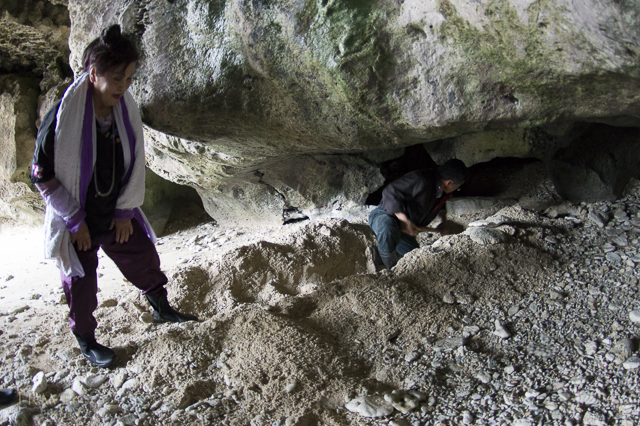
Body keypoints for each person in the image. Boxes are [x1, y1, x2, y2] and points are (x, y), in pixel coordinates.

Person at [31, 25, 197, 369]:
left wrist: (124, 212)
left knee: (142, 255)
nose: (124, 86)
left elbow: (135, 161)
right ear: (94, 73)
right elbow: (42, 174)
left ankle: (161, 308)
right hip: (77, 219)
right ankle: (87, 340)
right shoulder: (64, 116)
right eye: (117, 77)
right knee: (80, 283)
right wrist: (75, 222)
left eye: (130, 78)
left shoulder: (124, 109)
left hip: (114, 211)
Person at [368, 159, 469, 269]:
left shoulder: (439, 190)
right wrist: (404, 220)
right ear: (449, 182)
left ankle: (378, 256)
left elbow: (440, 204)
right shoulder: (421, 179)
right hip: (384, 215)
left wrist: (444, 222)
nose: (456, 189)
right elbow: (390, 191)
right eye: (457, 187)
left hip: (403, 229)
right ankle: (390, 272)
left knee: (415, 259)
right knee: (388, 228)